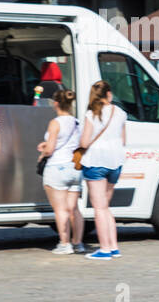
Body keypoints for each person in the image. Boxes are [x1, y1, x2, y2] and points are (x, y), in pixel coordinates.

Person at [79, 80, 127, 260]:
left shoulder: (91, 114)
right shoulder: (121, 113)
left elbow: (84, 142)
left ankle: (104, 249)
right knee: (106, 207)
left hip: (96, 161)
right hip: (116, 161)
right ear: (109, 94)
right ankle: (114, 247)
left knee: (99, 208)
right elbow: (123, 140)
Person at [36, 89, 86, 254]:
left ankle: (64, 244)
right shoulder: (77, 122)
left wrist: (42, 152)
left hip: (57, 167)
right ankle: (78, 243)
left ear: (55, 103)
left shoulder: (55, 123)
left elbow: (50, 149)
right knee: (74, 209)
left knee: (60, 209)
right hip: (74, 167)